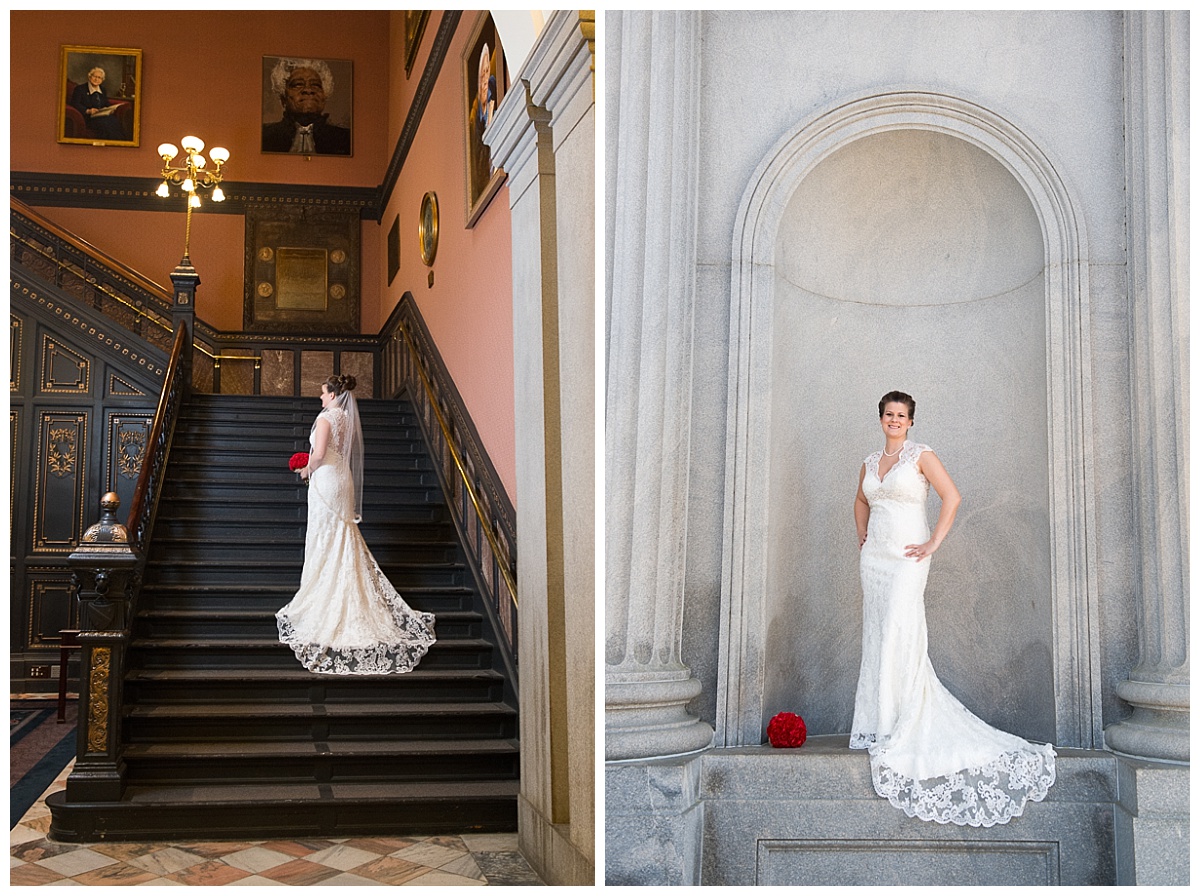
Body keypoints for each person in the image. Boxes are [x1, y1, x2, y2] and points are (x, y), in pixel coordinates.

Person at [849, 390, 1055, 826]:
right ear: (880, 417)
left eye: (901, 416)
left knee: (900, 632)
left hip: (908, 559)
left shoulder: (921, 455)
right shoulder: (870, 462)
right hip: (875, 562)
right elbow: (862, 500)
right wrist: (863, 534)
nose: (894, 421)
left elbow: (952, 497)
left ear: (911, 421)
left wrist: (932, 543)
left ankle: (899, 723)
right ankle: (879, 720)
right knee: (878, 632)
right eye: (888, 414)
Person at [276, 374, 435, 674]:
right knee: (341, 535)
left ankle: (324, 600)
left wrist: (304, 469)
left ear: (334, 394)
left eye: (323, 394)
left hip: (326, 483)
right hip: (342, 481)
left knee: (325, 536)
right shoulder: (347, 419)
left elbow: (320, 454)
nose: (321, 399)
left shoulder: (325, 419)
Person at [262, 58, 351, 155]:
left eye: (316, 85)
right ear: (283, 97)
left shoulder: (346, 139)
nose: (308, 90)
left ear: (324, 97)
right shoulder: (264, 136)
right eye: (298, 84)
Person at [70, 67, 126, 141]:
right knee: (105, 125)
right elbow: (75, 104)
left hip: (102, 115)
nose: (96, 79)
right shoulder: (80, 89)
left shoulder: (103, 89)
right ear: (89, 77)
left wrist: (111, 109)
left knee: (115, 122)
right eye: (94, 76)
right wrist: (88, 110)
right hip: (89, 118)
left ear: (102, 80)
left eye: (99, 77)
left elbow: (106, 103)